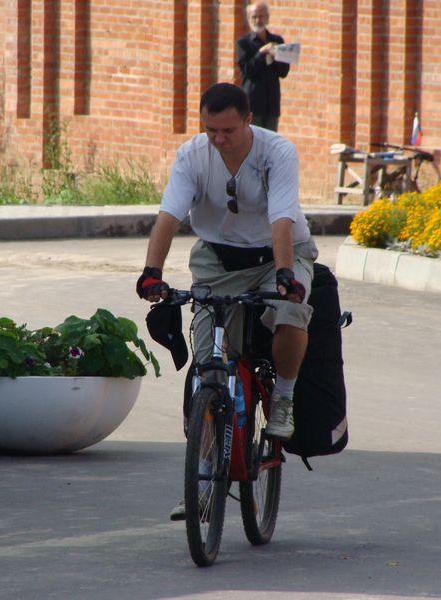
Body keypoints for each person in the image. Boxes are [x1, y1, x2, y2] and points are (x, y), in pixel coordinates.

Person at [135, 82, 318, 519]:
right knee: (207, 370)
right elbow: (169, 216)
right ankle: (200, 482)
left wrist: (286, 275)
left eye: (228, 131)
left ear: (249, 120)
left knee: (292, 312)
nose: (218, 139)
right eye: (210, 129)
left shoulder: (277, 152)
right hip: (217, 261)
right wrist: (151, 272)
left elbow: (281, 218)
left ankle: (283, 399)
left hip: (280, 255)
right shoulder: (192, 156)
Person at [236, 1, 290, 132]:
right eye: (254, 17)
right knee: (253, 139)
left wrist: (276, 55)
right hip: (253, 104)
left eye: (261, 16)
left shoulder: (277, 41)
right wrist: (261, 53)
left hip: (271, 103)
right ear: (249, 18)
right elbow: (247, 70)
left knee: (271, 141)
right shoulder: (243, 43)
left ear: (267, 17)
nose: (258, 20)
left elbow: (283, 72)